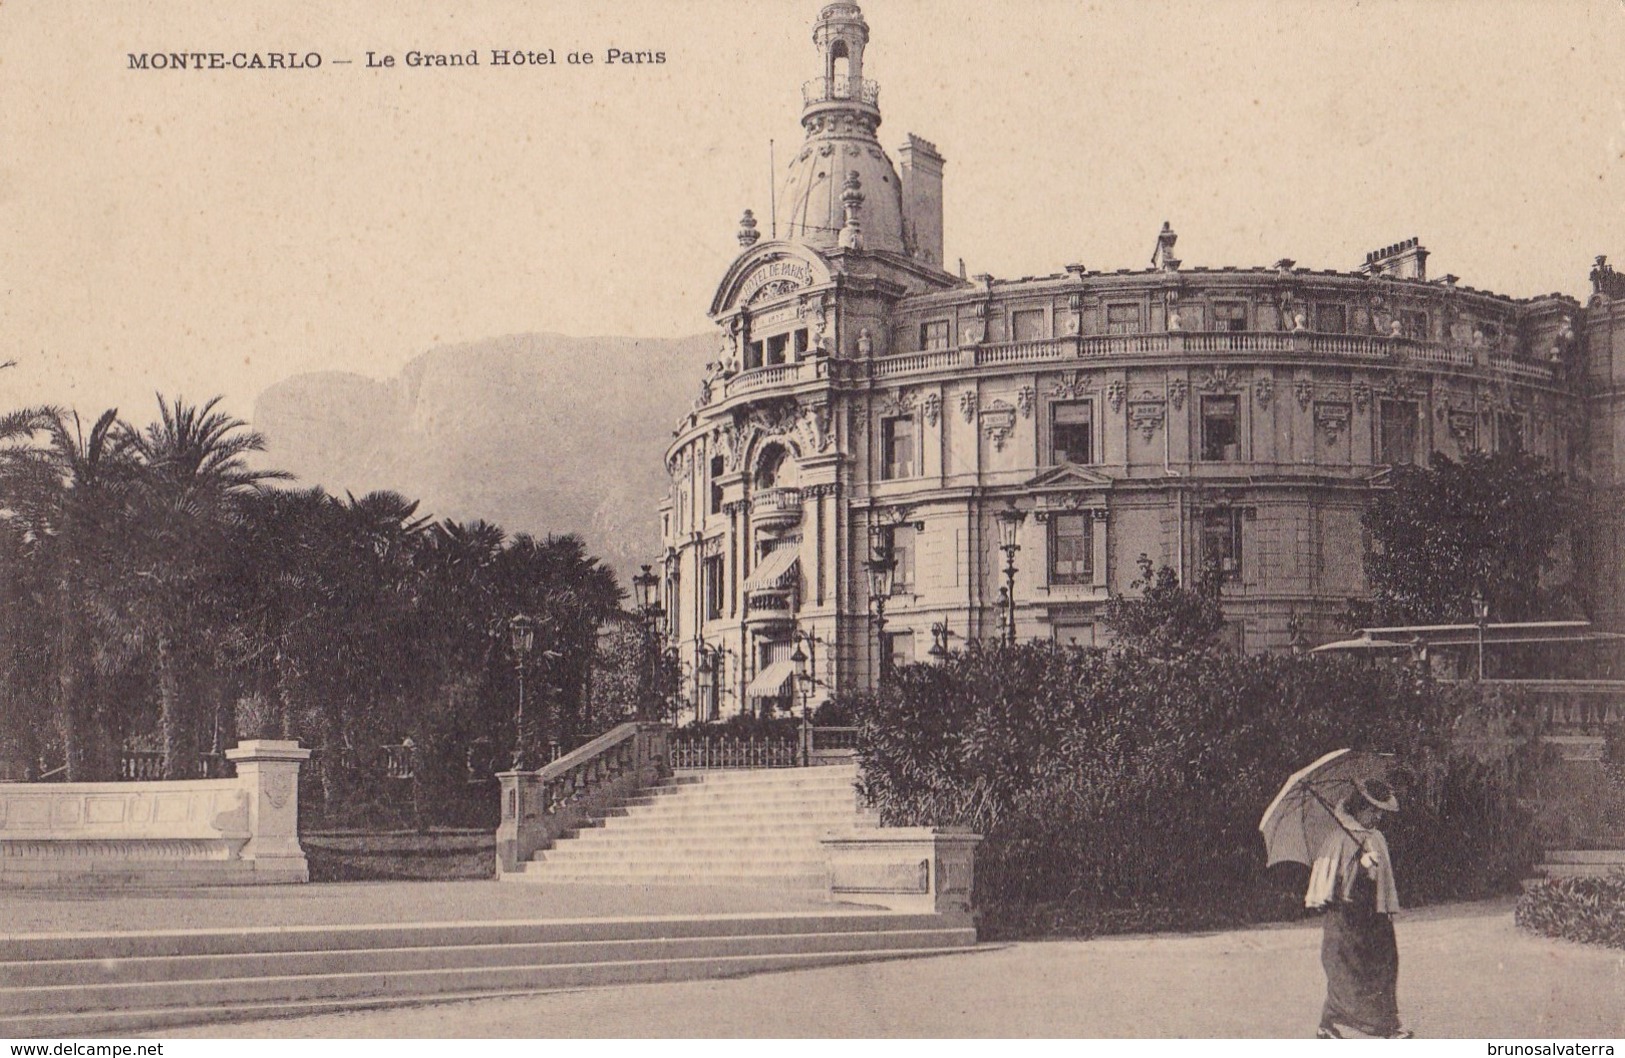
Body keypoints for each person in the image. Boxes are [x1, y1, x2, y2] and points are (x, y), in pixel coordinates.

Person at [1303, 777, 1411, 1039]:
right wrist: (1358, 865)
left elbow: (1382, 882)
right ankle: (1329, 1024)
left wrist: (1371, 867)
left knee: (1385, 963)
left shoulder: (1377, 838)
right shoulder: (1338, 838)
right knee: (1346, 968)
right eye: (1372, 810)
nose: (1377, 817)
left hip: (1374, 914)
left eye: (1380, 812)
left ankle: (1386, 1025)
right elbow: (1334, 885)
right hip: (1347, 915)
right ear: (1358, 808)